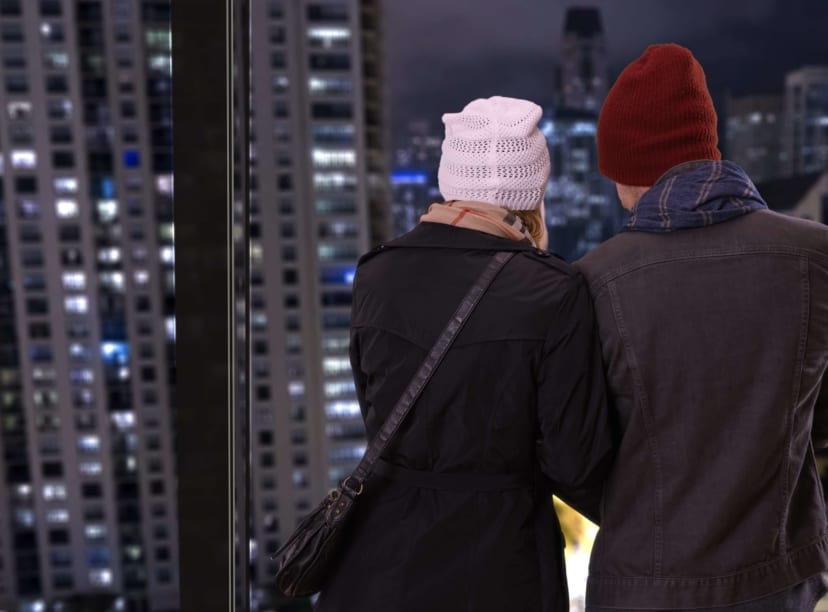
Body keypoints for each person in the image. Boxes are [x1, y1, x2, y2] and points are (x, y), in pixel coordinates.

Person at [315, 96, 614, 612]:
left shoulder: (376, 273)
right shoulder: (552, 290)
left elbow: (376, 414)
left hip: (384, 557)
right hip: (501, 559)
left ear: (451, 180)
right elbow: (576, 459)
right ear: (533, 193)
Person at [576, 43, 828, 611]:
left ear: (630, 171)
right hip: (776, 578)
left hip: (644, 584)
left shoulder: (593, 281)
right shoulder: (814, 255)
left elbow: (576, 453)